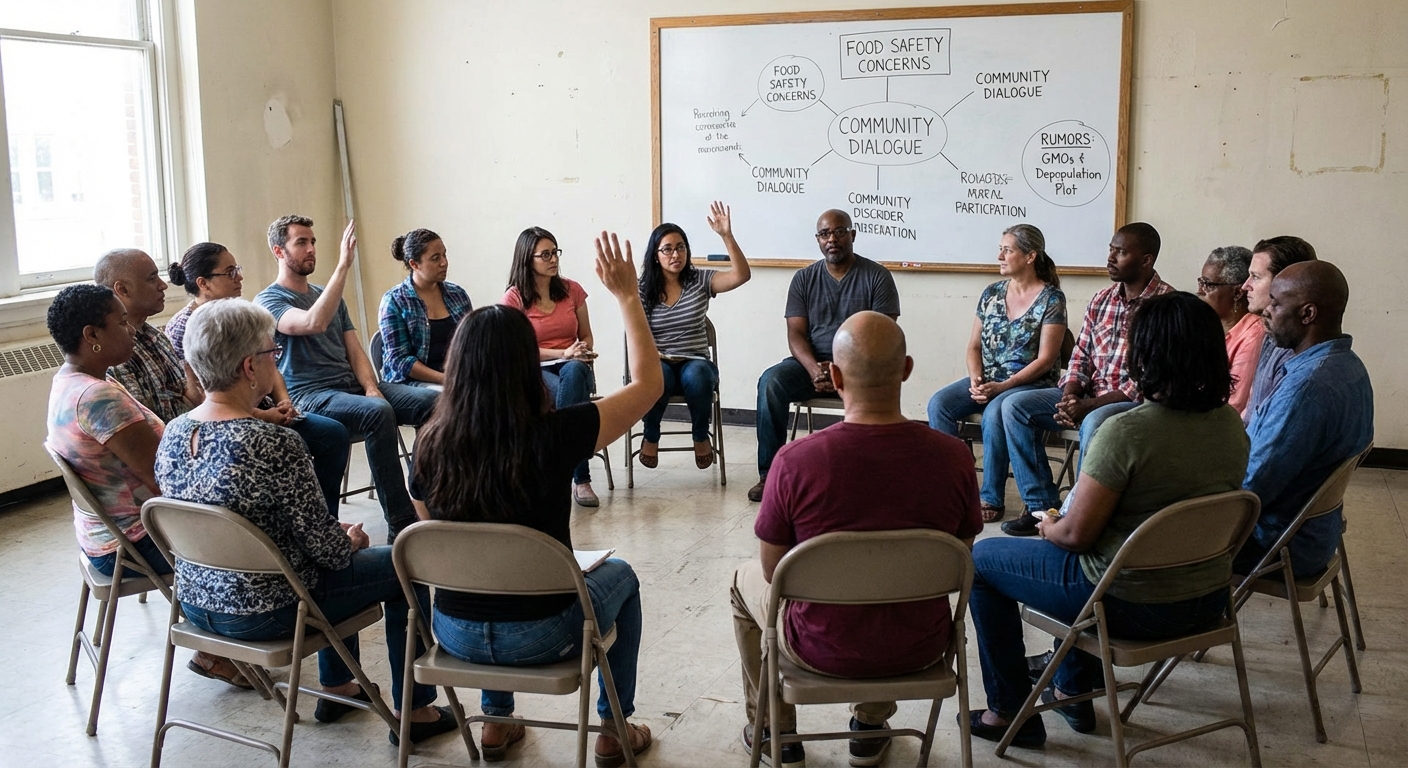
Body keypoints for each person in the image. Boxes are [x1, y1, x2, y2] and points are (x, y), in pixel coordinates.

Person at [155, 298, 457, 746]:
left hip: (198, 608)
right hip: (268, 612)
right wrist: (349, 539)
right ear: (248, 367)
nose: (274, 362)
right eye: (271, 354)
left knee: (328, 564)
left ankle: (338, 688)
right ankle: (416, 710)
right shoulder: (274, 443)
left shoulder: (173, 432)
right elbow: (330, 553)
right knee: (403, 565)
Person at [411, 232, 661, 766]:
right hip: (544, 634)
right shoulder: (557, 434)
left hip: (452, 634)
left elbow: (440, 545)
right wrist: (627, 297)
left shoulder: (428, 444)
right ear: (527, 364)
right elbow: (649, 384)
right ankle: (614, 730)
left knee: (482, 571)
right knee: (625, 581)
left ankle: (497, 722)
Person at [966, 292, 1249, 749]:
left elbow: (1077, 536)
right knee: (1105, 561)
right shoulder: (1230, 426)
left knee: (983, 559)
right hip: (1205, 599)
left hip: (1131, 605)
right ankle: (1073, 691)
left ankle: (1007, 712)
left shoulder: (1127, 431)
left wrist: (1048, 526)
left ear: (1146, 355)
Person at [734, 311, 982, 768]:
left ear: (832, 374)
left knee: (742, 582)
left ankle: (775, 733)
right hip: (921, 645)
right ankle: (870, 726)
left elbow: (774, 572)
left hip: (818, 646)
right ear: (907, 369)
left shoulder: (795, 461)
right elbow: (962, 555)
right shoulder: (954, 458)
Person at [43, 284, 249, 690]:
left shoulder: (70, 381)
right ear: (92, 335)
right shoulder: (98, 398)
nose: (131, 329)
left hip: (106, 537)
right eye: (120, 323)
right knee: (255, 526)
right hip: (134, 543)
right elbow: (167, 479)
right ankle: (223, 645)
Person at [255, 215, 437, 543]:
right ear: (279, 251)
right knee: (377, 413)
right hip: (309, 394)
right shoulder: (268, 300)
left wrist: (370, 387)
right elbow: (312, 322)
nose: (311, 249)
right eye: (301, 242)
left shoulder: (327, 293)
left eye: (313, 242)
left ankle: (428, 498)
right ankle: (401, 524)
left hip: (351, 387)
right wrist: (344, 266)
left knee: (434, 402)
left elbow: (354, 350)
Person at [999, 223, 1173, 536]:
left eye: (1120, 252)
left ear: (1146, 260)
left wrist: (1088, 405)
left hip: (1132, 404)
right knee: (1014, 406)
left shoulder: (1166, 305)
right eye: (1111, 248)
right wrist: (1070, 395)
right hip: (1088, 396)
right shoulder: (1101, 299)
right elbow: (1080, 356)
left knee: (1095, 422)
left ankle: (1081, 517)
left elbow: (1147, 380)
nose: (1110, 257)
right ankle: (1043, 509)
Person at [166, 241, 351, 517]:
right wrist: (266, 417)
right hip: (229, 421)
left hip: (264, 408)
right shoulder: (184, 327)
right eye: (230, 272)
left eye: (237, 269)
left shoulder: (240, 313)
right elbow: (203, 397)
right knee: (292, 447)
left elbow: (269, 363)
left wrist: (284, 403)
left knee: (333, 435)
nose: (239, 276)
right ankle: (308, 522)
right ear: (203, 283)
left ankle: (324, 516)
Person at [749, 209, 901, 503]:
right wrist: (814, 370)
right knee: (770, 382)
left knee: (877, 385)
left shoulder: (877, 277)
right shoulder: (804, 279)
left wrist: (842, 369)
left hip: (861, 368)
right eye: (825, 234)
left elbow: (883, 334)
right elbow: (795, 333)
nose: (832, 239)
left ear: (852, 235)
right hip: (812, 365)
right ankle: (769, 475)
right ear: (818, 240)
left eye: (839, 231)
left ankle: (865, 475)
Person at [1237, 261, 1373, 577]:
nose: (1265, 311)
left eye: (1276, 302)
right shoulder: (1350, 366)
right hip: (1316, 537)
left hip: (1278, 547)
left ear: (1307, 314)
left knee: (1145, 535)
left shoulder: (1308, 387)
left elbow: (1250, 491)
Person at [927, 224, 1067, 524]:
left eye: (1007, 250)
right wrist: (976, 379)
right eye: (1000, 248)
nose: (999, 255)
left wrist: (1003, 386)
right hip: (990, 379)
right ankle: (955, 488)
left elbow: (1046, 360)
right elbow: (973, 346)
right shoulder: (991, 293)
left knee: (994, 412)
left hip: (1028, 383)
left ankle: (991, 497)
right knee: (939, 404)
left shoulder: (1051, 299)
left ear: (1030, 256)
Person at [637, 201, 752, 470]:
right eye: (667, 249)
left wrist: (726, 235)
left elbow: (742, 275)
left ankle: (701, 436)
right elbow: (637, 333)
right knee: (657, 377)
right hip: (659, 361)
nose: (675, 254)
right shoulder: (643, 289)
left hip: (694, 360)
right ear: (656, 256)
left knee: (698, 375)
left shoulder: (699, 280)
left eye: (680, 247)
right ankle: (650, 436)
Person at [501, 226, 601, 506]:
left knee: (575, 372)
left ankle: (556, 469)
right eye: (544, 254)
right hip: (535, 374)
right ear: (527, 259)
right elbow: (517, 349)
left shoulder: (572, 290)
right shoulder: (515, 298)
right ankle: (581, 480)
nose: (553, 259)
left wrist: (581, 350)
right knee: (575, 405)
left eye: (555, 252)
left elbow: (587, 335)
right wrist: (563, 352)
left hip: (575, 368)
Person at [93, 249, 201, 423]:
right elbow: (151, 423)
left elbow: (186, 391)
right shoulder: (114, 354)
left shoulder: (153, 334)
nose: (163, 285)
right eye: (152, 279)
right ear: (122, 289)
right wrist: (193, 402)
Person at [377, 228, 473, 386]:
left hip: (456, 378)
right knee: (439, 399)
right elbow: (400, 360)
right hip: (410, 383)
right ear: (414, 264)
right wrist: (446, 380)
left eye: (444, 254)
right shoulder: (394, 301)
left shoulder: (458, 295)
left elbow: (472, 343)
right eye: (435, 258)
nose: (444, 262)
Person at [1240, 236, 1318, 424]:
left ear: (1285, 282)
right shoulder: (1271, 333)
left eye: (1256, 277)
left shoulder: (1294, 350)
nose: (1245, 286)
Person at [1196, 245, 1263, 416]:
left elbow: (1235, 404)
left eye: (1208, 285)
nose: (1199, 292)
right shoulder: (1206, 324)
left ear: (1238, 292)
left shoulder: (1254, 334)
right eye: (1200, 282)